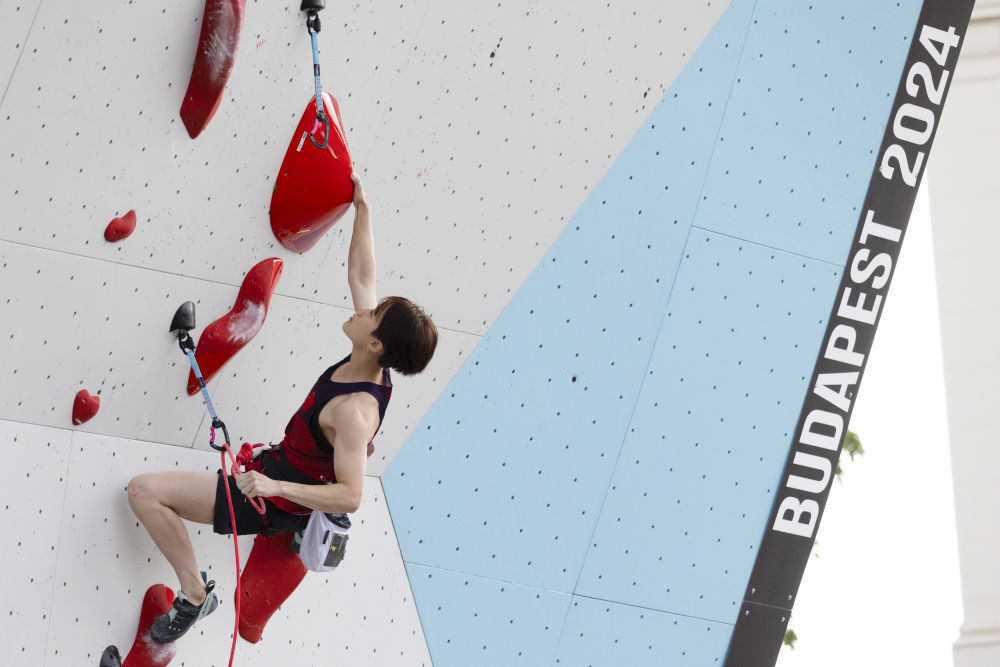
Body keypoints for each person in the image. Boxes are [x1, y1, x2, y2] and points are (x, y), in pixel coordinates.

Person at [126, 174, 437, 642]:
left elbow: (352, 495)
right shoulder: (370, 354)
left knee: (144, 492)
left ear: (376, 341)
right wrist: (363, 209)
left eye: (372, 313)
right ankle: (206, 585)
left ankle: (194, 597)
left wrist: (271, 484)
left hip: (271, 497)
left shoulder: (355, 412)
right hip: (276, 469)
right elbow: (363, 275)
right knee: (152, 491)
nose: (362, 307)